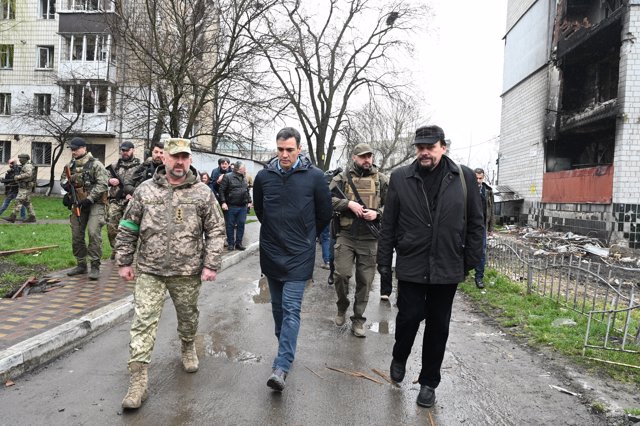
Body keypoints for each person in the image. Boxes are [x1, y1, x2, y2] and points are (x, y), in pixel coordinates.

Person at [376, 125, 483, 408]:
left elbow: (476, 222)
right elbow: (388, 226)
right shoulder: (401, 178)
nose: (424, 152)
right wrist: (384, 263)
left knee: (438, 327)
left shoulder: (463, 177)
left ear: (443, 147)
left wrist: (469, 261)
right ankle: (400, 356)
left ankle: (428, 382)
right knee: (409, 317)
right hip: (412, 263)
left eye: (430, 147)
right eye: (420, 147)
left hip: (448, 266)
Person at [116, 137, 225, 410]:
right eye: (174, 157)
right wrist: (124, 261)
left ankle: (188, 344)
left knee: (188, 317)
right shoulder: (145, 190)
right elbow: (128, 224)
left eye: (184, 157)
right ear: (163, 158)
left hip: (186, 271)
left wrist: (211, 264)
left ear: (189, 159)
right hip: (150, 270)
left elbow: (215, 230)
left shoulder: (202, 192)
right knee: (143, 322)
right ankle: (138, 382)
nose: (179, 162)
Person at [253, 127, 332, 392]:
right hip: (272, 253)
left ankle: (281, 366)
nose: (284, 154)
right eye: (280, 149)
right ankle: (284, 350)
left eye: (289, 149)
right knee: (277, 310)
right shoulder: (264, 177)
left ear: (299, 149)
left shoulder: (315, 178)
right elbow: (262, 211)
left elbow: (324, 214)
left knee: (290, 309)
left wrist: (306, 238)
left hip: (299, 254)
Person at [329, 143, 388, 337]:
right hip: (346, 235)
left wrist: (377, 213)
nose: (367, 160)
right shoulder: (342, 177)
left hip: (369, 238)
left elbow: (395, 204)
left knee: (365, 281)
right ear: (354, 157)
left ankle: (358, 319)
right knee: (341, 275)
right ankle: (342, 305)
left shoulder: (381, 179)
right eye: (362, 156)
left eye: (369, 156)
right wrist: (348, 204)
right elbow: (325, 198)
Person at [59, 137, 109, 280]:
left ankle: (95, 265)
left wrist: (90, 198)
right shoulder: (70, 165)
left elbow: (103, 184)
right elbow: (63, 178)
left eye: (76, 149)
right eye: (72, 150)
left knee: (93, 232)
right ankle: (81, 264)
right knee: (76, 234)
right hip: (78, 203)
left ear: (84, 148)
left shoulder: (96, 165)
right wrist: (66, 186)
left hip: (95, 203)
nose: (73, 152)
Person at [106, 141, 141, 258]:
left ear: (133, 150)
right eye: (122, 150)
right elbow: (103, 178)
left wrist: (134, 194)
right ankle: (116, 250)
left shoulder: (139, 167)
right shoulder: (114, 166)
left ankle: (127, 252)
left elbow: (144, 184)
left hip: (132, 201)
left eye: (127, 150)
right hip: (115, 201)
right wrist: (109, 181)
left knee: (129, 228)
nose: (124, 153)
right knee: (111, 228)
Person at [219, 160, 252, 251]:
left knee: (241, 224)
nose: (245, 169)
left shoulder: (244, 177)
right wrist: (223, 202)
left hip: (243, 206)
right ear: (239, 169)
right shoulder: (228, 177)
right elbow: (221, 190)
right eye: (243, 168)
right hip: (231, 206)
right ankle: (230, 244)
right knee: (230, 225)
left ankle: (239, 243)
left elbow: (246, 190)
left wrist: (249, 201)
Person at [474, 168, 495, 289]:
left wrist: (491, 228)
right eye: (476, 178)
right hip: (469, 225)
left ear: (483, 178)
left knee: (482, 251)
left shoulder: (488, 191)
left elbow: (491, 210)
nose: (478, 180)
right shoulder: (468, 189)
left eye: (480, 178)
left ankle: (479, 277)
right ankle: (463, 273)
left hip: (482, 226)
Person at [2, 154, 37, 223]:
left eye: (21, 158)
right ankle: (32, 217)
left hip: (25, 187)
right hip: (25, 186)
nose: (19, 160)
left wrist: (18, 177)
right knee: (27, 203)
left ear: (25, 159)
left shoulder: (28, 166)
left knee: (18, 201)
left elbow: (28, 174)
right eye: (19, 158)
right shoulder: (25, 165)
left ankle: (12, 217)